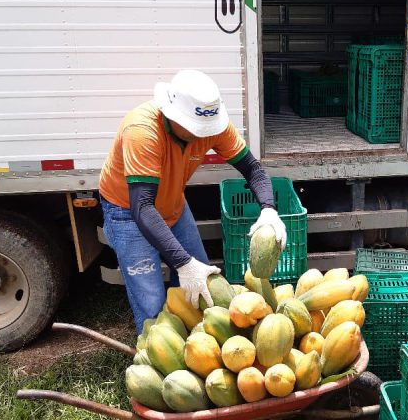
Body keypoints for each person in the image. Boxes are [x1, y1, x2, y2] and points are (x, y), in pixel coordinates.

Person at [98, 70, 286, 333]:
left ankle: (197, 350)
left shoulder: (213, 125)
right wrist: (183, 263)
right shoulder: (142, 130)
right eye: (195, 129)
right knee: (151, 302)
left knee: (204, 285)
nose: (202, 136)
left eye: (206, 130)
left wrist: (269, 210)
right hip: (128, 211)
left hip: (172, 203)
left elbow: (253, 170)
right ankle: (156, 362)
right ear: (171, 114)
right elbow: (142, 207)